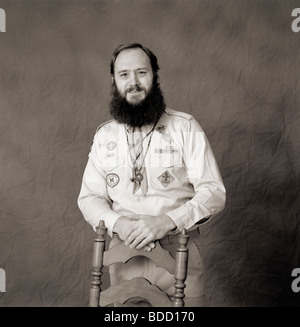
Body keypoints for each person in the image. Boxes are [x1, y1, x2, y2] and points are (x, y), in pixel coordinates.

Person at [78, 43, 226, 306]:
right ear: (114, 80)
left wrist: (167, 221)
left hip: (179, 252)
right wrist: (118, 224)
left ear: (155, 75)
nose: (133, 82)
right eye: (124, 74)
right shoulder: (105, 136)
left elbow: (213, 192)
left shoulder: (185, 127)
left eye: (141, 73)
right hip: (123, 259)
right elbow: (89, 197)